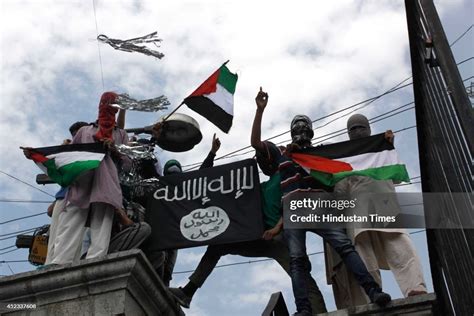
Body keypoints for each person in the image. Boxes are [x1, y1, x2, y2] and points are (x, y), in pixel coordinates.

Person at [251, 87, 391, 316]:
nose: (301, 129)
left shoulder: (322, 154)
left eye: (304, 125)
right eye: (297, 126)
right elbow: (256, 142)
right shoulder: (282, 154)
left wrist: (381, 143)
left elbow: (353, 157)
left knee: (345, 247)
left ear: (311, 132)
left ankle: (373, 292)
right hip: (293, 210)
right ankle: (303, 309)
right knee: (297, 260)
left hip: (320, 207)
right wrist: (259, 111)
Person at [168, 135, 328, 313]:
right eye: (258, 161)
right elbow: (204, 181)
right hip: (260, 237)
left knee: (302, 276)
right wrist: (212, 154)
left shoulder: (286, 175)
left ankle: (319, 311)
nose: (260, 164)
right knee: (217, 246)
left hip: (281, 238)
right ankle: (188, 292)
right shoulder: (258, 187)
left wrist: (293, 152)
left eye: (262, 159)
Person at [326, 114, 427, 308]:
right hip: (359, 213)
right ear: (348, 134)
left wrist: (388, 146)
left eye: (361, 127)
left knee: (400, 247)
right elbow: (340, 193)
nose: (357, 131)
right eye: (353, 129)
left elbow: (396, 176)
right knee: (365, 258)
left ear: (370, 129)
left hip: (385, 206)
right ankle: (372, 295)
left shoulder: (382, 150)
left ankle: (415, 287)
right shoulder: (344, 159)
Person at [48, 92, 131, 264]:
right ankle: (59, 262)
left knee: (102, 223)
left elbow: (128, 163)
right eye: (106, 103)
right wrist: (40, 155)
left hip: (106, 183)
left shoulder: (121, 134)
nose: (108, 107)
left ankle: (94, 261)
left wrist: (115, 150)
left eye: (113, 105)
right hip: (82, 182)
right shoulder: (84, 131)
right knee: (71, 219)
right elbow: (70, 156)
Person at [44, 121, 89, 265]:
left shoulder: (90, 152)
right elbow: (60, 173)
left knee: (74, 234)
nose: (77, 137)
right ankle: (50, 264)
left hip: (81, 196)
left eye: (79, 133)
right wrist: (63, 150)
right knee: (55, 233)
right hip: (63, 195)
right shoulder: (70, 153)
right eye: (74, 135)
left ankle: (66, 264)